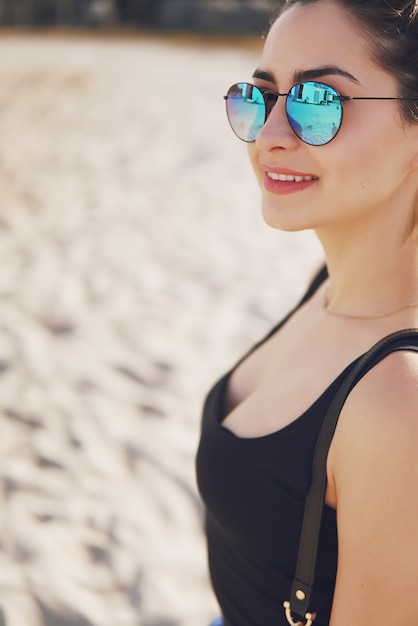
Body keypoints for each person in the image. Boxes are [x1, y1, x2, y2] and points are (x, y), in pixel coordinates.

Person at [195, 1, 418, 625]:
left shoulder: (395, 403)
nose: (271, 135)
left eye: (318, 102)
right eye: (259, 95)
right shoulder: (326, 282)